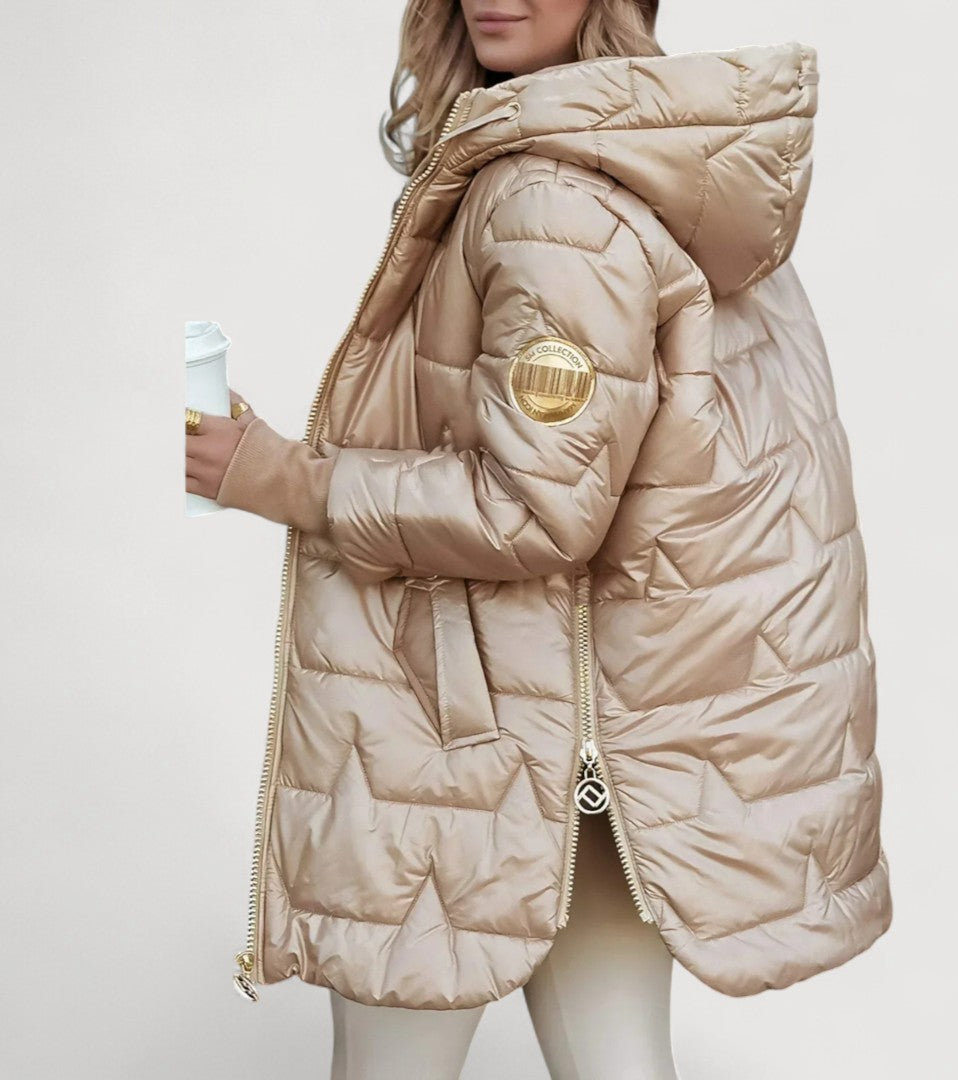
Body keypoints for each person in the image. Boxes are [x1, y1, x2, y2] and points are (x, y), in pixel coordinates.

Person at [185, 2, 891, 1078]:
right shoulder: (670, 166)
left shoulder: (551, 197)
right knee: (616, 1058)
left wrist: (277, 475)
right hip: (606, 732)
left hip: (490, 739)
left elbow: (535, 507)